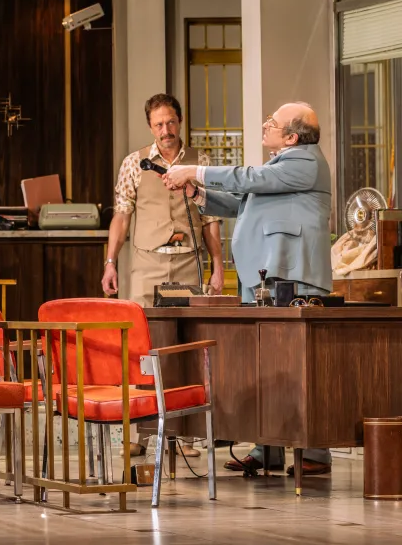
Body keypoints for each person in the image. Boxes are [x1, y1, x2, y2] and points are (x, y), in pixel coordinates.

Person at [164, 101, 333, 477]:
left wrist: (197, 170)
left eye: (272, 122)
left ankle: (315, 453)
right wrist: (198, 194)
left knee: (298, 365)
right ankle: (266, 447)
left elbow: (249, 180)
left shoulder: (304, 160)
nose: (264, 124)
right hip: (265, 275)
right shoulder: (279, 166)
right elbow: (244, 202)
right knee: (265, 366)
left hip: (293, 274)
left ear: (291, 136)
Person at [102, 93, 223, 458]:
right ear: (150, 127)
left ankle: (184, 435)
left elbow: (211, 218)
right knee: (141, 347)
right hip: (146, 263)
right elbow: (121, 217)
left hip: (188, 262)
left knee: (184, 344)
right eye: (158, 125)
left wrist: (218, 267)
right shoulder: (134, 163)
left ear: (180, 121)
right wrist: (110, 262)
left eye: (170, 122)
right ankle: (138, 434)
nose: (165, 130)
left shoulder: (201, 162)